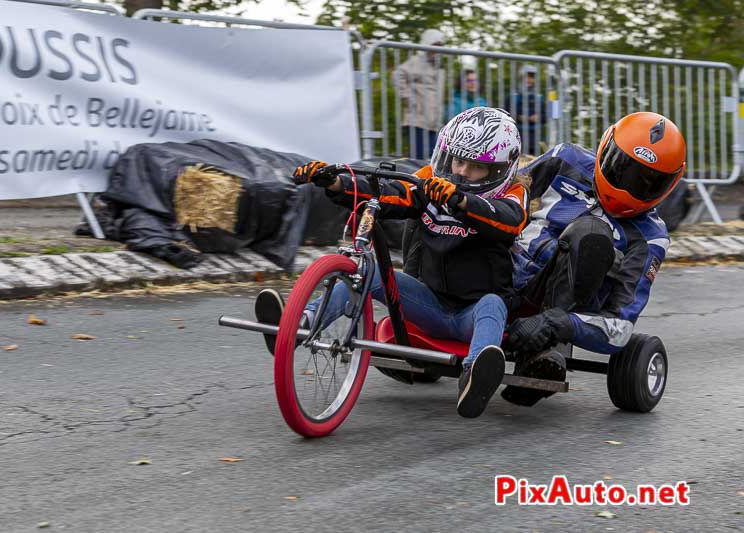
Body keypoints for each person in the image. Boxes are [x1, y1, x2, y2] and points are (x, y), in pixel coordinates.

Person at [256, 107, 529, 419]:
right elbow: (390, 193)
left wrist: (462, 200)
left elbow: (510, 220)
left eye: (474, 166)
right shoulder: (430, 181)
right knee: (366, 268)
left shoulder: (513, 192)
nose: (461, 171)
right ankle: (297, 324)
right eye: (457, 160)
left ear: (498, 169)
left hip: (475, 313)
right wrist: (334, 183)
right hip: (430, 305)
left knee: (494, 303)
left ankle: (475, 377)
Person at [502, 111, 687, 406]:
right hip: (505, 263)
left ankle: (542, 356)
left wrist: (558, 323)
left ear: (669, 185)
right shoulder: (565, 160)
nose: (627, 186)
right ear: (605, 147)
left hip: (554, 306)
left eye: (645, 182)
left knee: (589, 234)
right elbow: (504, 195)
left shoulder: (650, 237)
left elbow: (620, 327)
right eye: (621, 168)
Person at [392, 29, 446, 160]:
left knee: (433, 158)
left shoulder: (437, 65)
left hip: (432, 122)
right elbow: (397, 75)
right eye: (434, 45)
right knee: (419, 159)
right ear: (427, 44)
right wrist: (409, 99)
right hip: (417, 120)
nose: (437, 49)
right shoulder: (416, 61)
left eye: (439, 46)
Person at [506, 64, 548, 156]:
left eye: (532, 77)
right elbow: (506, 114)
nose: (529, 80)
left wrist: (539, 117)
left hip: (535, 140)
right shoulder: (513, 96)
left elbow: (546, 116)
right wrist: (518, 117)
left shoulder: (539, 97)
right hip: (516, 139)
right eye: (526, 77)